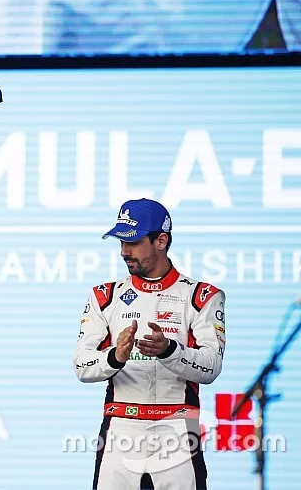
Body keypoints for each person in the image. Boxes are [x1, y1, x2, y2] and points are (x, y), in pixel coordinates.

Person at [74, 198, 226, 490]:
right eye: (120, 242)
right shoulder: (104, 297)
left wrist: (169, 350)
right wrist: (115, 357)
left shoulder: (203, 296)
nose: (123, 251)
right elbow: (81, 366)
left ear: (161, 240)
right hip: (119, 429)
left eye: (132, 242)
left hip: (178, 430)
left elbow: (211, 368)